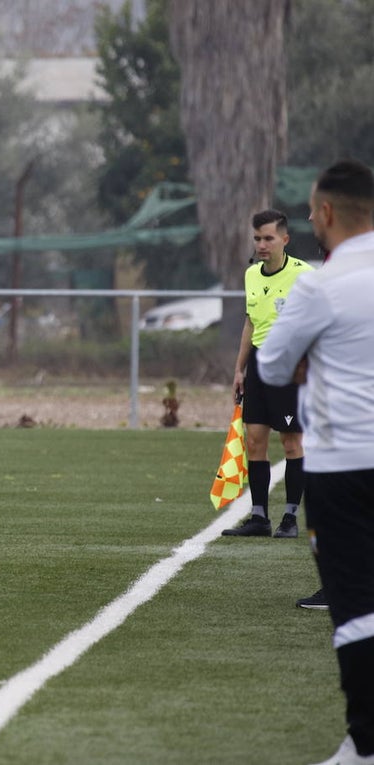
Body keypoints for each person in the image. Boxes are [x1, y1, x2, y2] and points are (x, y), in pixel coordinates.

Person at [258, 159, 374, 765]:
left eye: (310, 209)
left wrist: (310, 359)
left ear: (327, 214)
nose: (307, 218)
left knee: (356, 605)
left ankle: (364, 744)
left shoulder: (320, 284)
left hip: (346, 466)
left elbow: (273, 366)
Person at [223, 209, 313, 538]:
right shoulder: (251, 275)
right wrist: (239, 369)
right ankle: (259, 517)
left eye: (268, 238)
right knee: (255, 440)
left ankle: (289, 518)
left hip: (291, 366)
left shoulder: (305, 276)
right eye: (258, 238)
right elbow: (251, 322)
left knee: (291, 442)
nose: (262, 244)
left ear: (284, 240)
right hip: (259, 365)